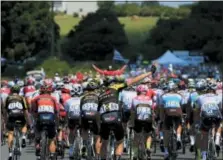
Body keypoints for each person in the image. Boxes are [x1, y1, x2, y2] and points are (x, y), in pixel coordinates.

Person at [31, 80, 59, 160]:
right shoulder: (53, 99)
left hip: (40, 120)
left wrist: (35, 116)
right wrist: (57, 124)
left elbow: (33, 110)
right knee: (52, 138)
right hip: (50, 120)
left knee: (36, 129)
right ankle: (53, 154)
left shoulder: (36, 98)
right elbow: (57, 112)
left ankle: (37, 144)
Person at [195, 81, 222, 160]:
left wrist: (197, 122)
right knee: (219, 125)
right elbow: (220, 108)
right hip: (216, 115)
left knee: (204, 134)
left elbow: (197, 111)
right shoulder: (218, 97)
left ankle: (203, 156)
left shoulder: (200, 97)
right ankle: (216, 140)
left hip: (206, 116)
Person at [4, 85, 31, 160]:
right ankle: (23, 137)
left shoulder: (8, 98)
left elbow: (5, 111)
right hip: (20, 115)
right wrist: (28, 121)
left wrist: (6, 121)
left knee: (10, 133)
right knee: (25, 124)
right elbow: (25, 110)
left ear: (11, 91)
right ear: (19, 91)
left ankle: (10, 154)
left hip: (11, 116)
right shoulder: (22, 98)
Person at [159, 81, 183, 159]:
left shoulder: (163, 96)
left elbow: (161, 108)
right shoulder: (179, 96)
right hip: (177, 112)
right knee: (179, 124)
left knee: (165, 129)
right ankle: (178, 137)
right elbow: (181, 106)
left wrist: (161, 118)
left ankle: (166, 152)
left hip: (168, 113)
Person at [131, 84, 154, 159]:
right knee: (148, 135)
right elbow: (152, 109)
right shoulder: (149, 99)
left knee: (136, 137)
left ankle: (135, 154)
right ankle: (148, 147)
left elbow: (132, 111)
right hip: (148, 120)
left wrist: (131, 122)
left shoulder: (134, 99)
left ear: (138, 91)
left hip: (138, 120)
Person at [64, 83, 82, 159]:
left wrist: (66, 123)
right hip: (81, 118)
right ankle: (84, 147)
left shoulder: (67, 101)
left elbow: (67, 114)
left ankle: (71, 149)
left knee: (71, 132)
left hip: (72, 118)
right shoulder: (83, 99)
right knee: (84, 130)